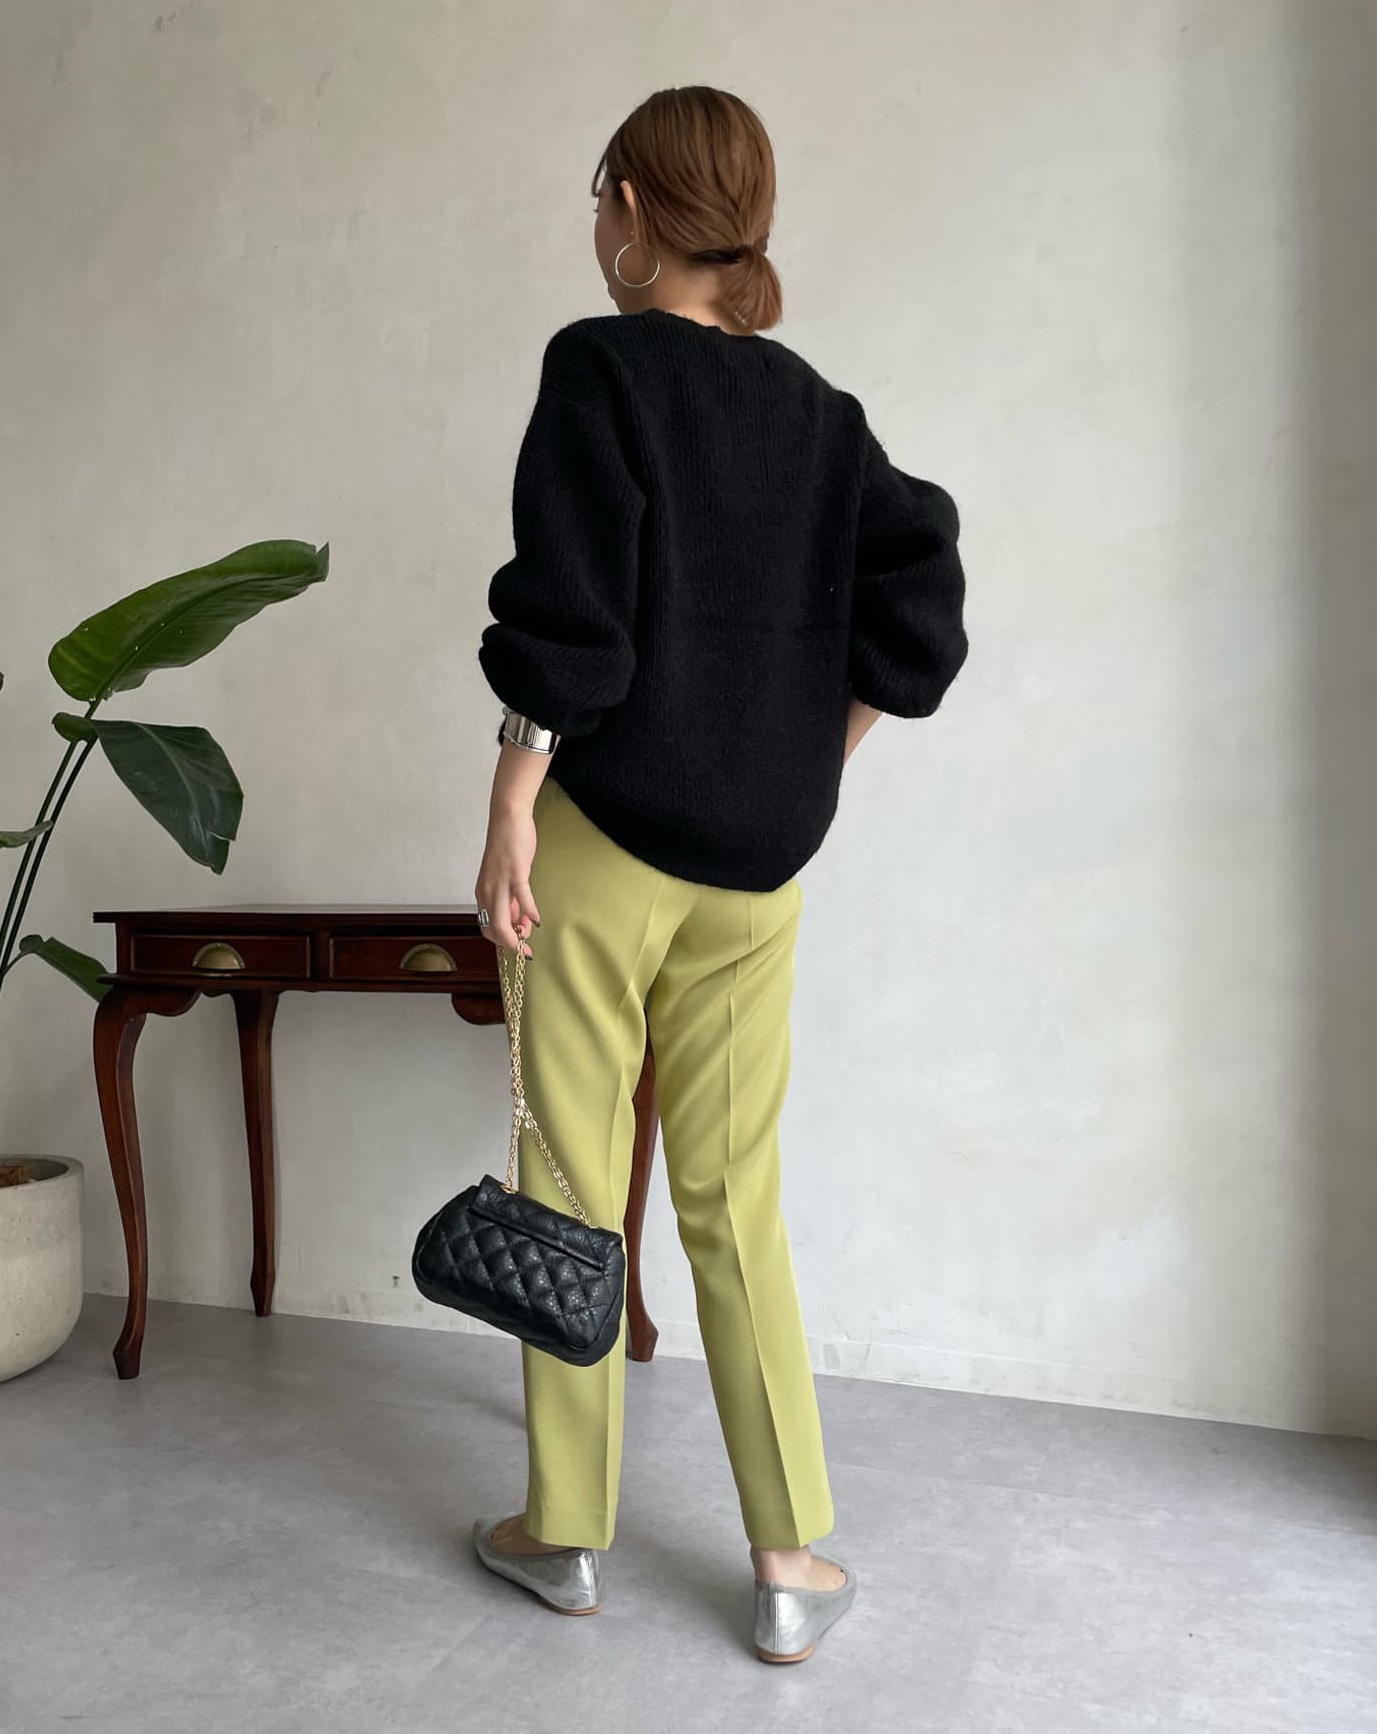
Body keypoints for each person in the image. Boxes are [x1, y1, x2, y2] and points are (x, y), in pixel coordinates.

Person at [469, 84, 969, 1663]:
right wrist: (818, 753)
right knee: (736, 1201)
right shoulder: (821, 415)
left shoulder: (599, 367)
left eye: (598, 196)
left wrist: (511, 801)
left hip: (602, 845)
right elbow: (923, 600)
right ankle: (787, 1558)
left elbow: (570, 606)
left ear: (632, 207)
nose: (594, 223)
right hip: (759, 872)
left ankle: (563, 1531)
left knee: (568, 1180)